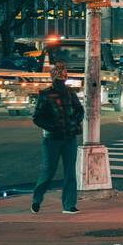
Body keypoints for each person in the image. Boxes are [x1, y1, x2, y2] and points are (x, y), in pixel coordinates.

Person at [30, 61, 84, 214]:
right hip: (52, 139)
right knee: (49, 170)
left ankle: (69, 205)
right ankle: (37, 199)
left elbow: (79, 110)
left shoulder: (69, 93)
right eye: (60, 76)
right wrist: (52, 126)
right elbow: (37, 117)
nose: (63, 79)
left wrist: (73, 122)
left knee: (70, 172)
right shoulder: (46, 94)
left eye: (64, 76)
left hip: (69, 137)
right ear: (54, 78)